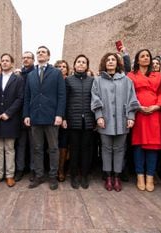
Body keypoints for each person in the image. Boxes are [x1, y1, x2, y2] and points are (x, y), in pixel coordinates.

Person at [91, 52, 140, 192]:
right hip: (104, 121)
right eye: (108, 60)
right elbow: (95, 98)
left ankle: (117, 177)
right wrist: (99, 116)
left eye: (113, 59)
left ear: (118, 63)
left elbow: (132, 99)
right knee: (106, 149)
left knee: (119, 149)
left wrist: (131, 117)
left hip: (122, 121)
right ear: (104, 63)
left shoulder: (126, 81)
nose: (111, 62)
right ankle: (108, 176)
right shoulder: (98, 80)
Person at [23, 46, 66, 190]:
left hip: (52, 117)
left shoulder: (56, 73)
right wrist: (26, 115)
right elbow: (27, 96)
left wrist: (59, 114)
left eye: (43, 52)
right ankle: (39, 176)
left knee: (53, 148)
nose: (40, 53)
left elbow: (61, 95)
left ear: (48, 56)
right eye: (38, 52)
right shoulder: (31, 75)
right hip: (35, 117)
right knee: (37, 148)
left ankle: (53, 176)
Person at [127, 49, 161, 192]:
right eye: (142, 56)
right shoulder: (131, 75)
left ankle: (150, 176)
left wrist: (156, 106)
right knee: (138, 146)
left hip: (155, 114)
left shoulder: (159, 75)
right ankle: (140, 176)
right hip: (138, 113)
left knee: (153, 147)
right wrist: (138, 106)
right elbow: (129, 94)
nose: (145, 58)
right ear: (137, 60)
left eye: (147, 56)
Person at [0, 53, 24, 187]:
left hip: (10, 119)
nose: (4, 63)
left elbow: (20, 98)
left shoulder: (18, 79)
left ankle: (9, 175)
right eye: (3, 60)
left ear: (12, 63)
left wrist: (8, 113)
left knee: (9, 149)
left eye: (7, 61)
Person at [63, 54, 95, 189]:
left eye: (83, 62)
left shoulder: (92, 80)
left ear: (87, 66)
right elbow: (64, 100)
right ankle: (74, 176)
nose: (81, 64)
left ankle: (85, 176)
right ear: (74, 65)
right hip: (73, 120)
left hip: (88, 120)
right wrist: (64, 118)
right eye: (78, 62)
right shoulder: (68, 80)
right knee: (74, 150)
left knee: (86, 150)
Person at [14, 51, 35, 182]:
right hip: (20, 115)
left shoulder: (36, 74)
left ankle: (33, 169)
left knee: (34, 145)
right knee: (20, 144)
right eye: (24, 58)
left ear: (33, 60)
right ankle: (20, 169)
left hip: (34, 115)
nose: (26, 60)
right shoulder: (18, 75)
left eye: (28, 58)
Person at [54, 59, 70, 182]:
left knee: (64, 145)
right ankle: (52, 169)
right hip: (52, 117)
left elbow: (68, 102)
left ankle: (61, 170)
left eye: (64, 66)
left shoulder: (69, 82)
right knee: (53, 145)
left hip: (67, 118)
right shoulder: (52, 81)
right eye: (58, 66)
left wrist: (64, 117)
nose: (61, 68)